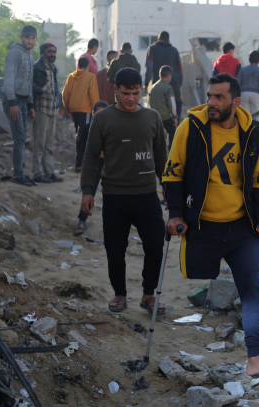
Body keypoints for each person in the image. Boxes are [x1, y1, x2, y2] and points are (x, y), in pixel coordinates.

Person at [162, 73, 259, 379]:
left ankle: (255, 358)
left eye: (219, 97)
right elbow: (172, 172)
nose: (211, 103)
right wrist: (176, 214)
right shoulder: (190, 128)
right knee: (196, 278)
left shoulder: (250, 131)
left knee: (255, 289)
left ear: (236, 102)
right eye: (209, 96)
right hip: (202, 227)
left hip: (241, 229)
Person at [80, 67, 167, 315]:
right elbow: (90, 157)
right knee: (115, 248)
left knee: (154, 244)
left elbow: (162, 156)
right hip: (115, 195)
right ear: (115, 90)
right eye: (126, 93)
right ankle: (120, 294)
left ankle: (149, 295)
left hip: (147, 194)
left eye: (136, 93)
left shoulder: (152, 118)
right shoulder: (103, 119)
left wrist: (167, 186)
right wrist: (88, 191)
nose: (131, 98)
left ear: (142, 91)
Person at [2, 25, 37, 187]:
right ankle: (17, 174)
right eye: (27, 37)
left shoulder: (29, 56)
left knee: (22, 138)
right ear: (21, 38)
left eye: (32, 38)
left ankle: (20, 172)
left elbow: (28, 83)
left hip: (23, 101)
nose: (30, 41)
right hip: (13, 100)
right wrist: (12, 103)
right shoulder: (14, 54)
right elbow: (8, 80)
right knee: (19, 137)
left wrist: (30, 105)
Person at [73, 100, 109, 236]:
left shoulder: (111, 128)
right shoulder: (87, 128)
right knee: (89, 191)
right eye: (98, 114)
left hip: (109, 164)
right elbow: (81, 145)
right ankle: (82, 220)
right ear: (93, 113)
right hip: (93, 164)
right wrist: (95, 151)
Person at [31, 43, 63, 184]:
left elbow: (54, 86)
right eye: (50, 51)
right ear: (43, 53)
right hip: (41, 109)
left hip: (51, 109)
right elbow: (30, 84)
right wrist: (40, 91)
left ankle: (49, 173)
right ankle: (38, 174)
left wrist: (54, 91)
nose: (52, 54)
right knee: (39, 143)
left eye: (54, 51)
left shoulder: (53, 68)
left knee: (49, 144)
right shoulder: (37, 67)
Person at [62, 57, 100, 172]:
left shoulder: (70, 77)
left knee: (79, 134)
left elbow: (64, 94)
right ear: (88, 66)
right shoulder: (90, 77)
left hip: (73, 109)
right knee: (84, 136)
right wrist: (97, 109)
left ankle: (79, 163)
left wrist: (68, 109)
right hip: (85, 110)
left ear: (78, 66)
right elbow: (93, 95)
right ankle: (81, 164)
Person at [144, 31, 184, 119]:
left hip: (158, 85)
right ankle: (176, 126)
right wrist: (179, 86)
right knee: (177, 104)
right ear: (168, 40)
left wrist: (146, 84)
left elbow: (149, 67)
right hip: (174, 85)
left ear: (158, 39)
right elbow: (180, 70)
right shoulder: (174, 50)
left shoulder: (152, 48)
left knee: (157, 110)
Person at [148, 65, 177, 149]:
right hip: (165, 117)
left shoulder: (153, 87)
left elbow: (149, 101)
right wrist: (174, 117)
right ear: (169, 76)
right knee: (172, 132)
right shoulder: (168, 87)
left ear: (159, 76)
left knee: (157, 135)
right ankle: (171, 149)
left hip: (154, 117)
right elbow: (172, 103)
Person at [237, 50, 259, 116]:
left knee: (244, 117)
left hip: (244, 94)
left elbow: (237, 82)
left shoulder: (243, 70)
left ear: (249, 60)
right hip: (256, 95)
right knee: (256, 117)